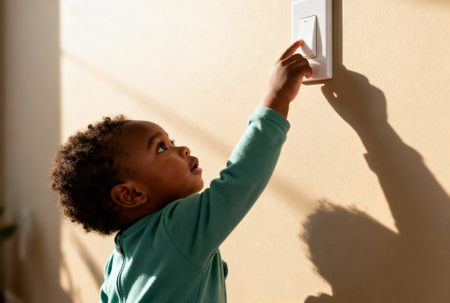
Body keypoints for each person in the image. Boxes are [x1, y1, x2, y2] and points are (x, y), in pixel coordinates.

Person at [49, 39, 311, 302]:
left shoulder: (117, 262)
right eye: (161, 148)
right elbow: (241, 179)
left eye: (171, 141)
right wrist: (277, 96)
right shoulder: (176, 231)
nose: (182, 148)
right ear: (131, 194)